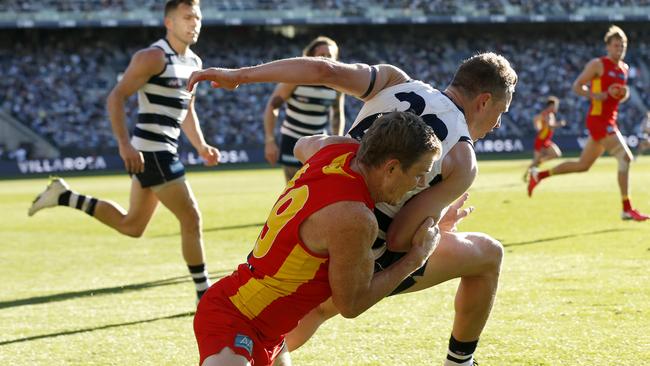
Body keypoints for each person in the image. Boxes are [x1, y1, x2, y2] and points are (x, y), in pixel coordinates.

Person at [187, 51, 514, 366]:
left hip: (314, 226)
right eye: (501, 112)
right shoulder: (462, 158)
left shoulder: (393, 82)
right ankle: (460, 362)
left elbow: (323, 73)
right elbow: (401, 238)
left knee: (292, 310)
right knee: (488, 255)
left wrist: (239, 75)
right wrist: (435, 226)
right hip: (360, 252)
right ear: (484, 101)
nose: (497, 124)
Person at [193, 112, 445, 366]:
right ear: (390, 167)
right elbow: (351, 304)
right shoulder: (354, 218)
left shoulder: (335, 151)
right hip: (233, 317)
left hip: (268, 330)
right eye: (418, 173)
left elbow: (301, 144)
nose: (421, 183)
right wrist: (416, 258)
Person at [27, 0, 220, 301]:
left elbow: (187, 110)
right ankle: (204, 293)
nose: (194, 23)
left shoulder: (194, 63)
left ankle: (64, 196)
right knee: (191, 218)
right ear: (169, 23)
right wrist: (124, 144)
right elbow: (116, 98)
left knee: (132, 226)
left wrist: (201, 146)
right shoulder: (152, 57)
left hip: (163, 149)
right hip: (152, 150)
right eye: (187, 17)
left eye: (197, 17)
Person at [527, 25, 649, 221]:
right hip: (598, 120)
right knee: (625, 158)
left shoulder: (624, 69)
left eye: (623, 46)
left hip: (610, 120)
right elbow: (577, 86)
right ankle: (627, 208)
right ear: (608, 47)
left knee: (582, 165)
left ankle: (539, 176)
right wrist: (594, 94)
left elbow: (616, 96)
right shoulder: (598, 64)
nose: (620, 49)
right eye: (616, 45)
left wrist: (624, 95)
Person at [263, 36, 345, 182]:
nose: (326, 59)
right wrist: (270, 140)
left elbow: (337, 114)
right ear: (311, 57)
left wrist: (335, 142)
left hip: (319, 142)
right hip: (292, 140)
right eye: (321, 55)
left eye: (329, 56)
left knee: (319, 188)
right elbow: (272, 106)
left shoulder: (337, 85)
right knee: (295, 188)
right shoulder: (296, 78)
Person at [523, 96, 566, 181]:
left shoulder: (548, 114)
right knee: (536, 160)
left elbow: (536, 118)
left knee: (556, 154)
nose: (556, 107)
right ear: (551, 106)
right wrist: (559, 124)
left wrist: (537, 126)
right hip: (541, 140)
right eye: (555, 106)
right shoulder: (548, 114)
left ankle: (538, 163)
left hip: (546, 140)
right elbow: (549, 125)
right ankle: (526, 175)